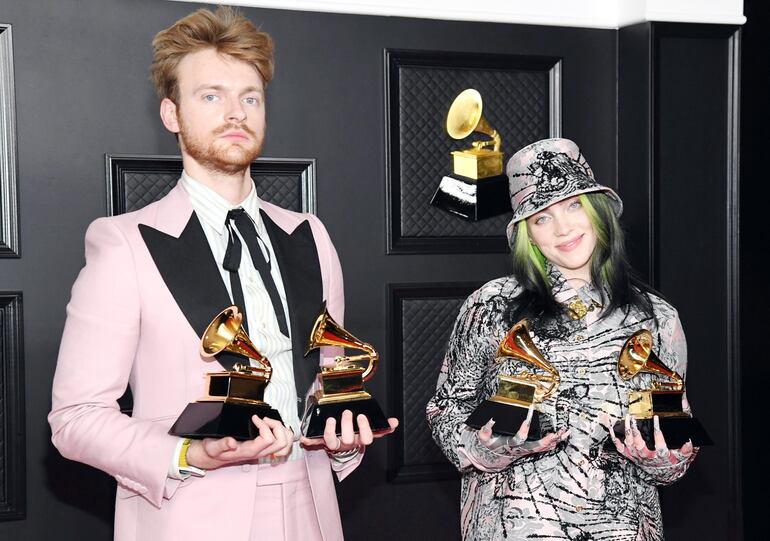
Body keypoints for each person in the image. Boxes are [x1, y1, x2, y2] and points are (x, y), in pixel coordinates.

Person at [48, 7, 396, 541]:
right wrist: (191, 453)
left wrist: (340, 434)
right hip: (191, 513)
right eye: (211, 95)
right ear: (172, 114)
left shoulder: (309, 235)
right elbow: (75, 418)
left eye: (249, 98)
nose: (235, 113)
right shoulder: (124, 243)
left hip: (312, 506)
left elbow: (325, 385)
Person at [426, 138, 698, 540]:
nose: (563, 227)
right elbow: (445, 410)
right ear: (527, 235)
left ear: (598, 213)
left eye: (574, 206)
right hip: (513, 527)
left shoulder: (657, 318)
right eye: (541, 218)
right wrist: (484, 448)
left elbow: (667, 443)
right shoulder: (491, 305)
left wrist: (665, 460)